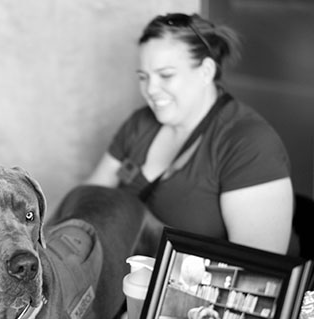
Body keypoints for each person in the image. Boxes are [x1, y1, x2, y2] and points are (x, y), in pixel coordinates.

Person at [85, 13, 293, 255]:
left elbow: (254, 273)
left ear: (206, 71)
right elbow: (89, 200)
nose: (150, 89)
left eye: (166, 75)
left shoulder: (250, 144)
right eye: (143, 77)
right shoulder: (139, 124)